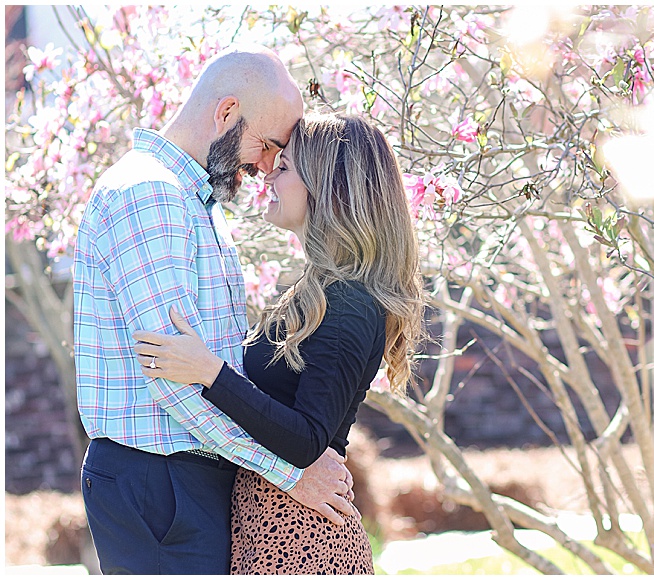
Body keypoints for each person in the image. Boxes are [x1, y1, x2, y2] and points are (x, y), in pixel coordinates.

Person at [72, 45, 355, 575]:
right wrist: (291, 471)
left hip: (186, 479)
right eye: (267, 143)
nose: (269, 165)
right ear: (226, 113)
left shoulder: (192, 201)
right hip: (160, 484)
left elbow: (212, 362)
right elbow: (175, 381)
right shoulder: (150, 196)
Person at [131, 113, 425, 574]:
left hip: (301, 536)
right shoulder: (316, 292)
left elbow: (308, 438)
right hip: (270, 523)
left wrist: (210, 373)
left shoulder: (348, 303)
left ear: (328, 189)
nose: (268, 173)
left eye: (284, 167)